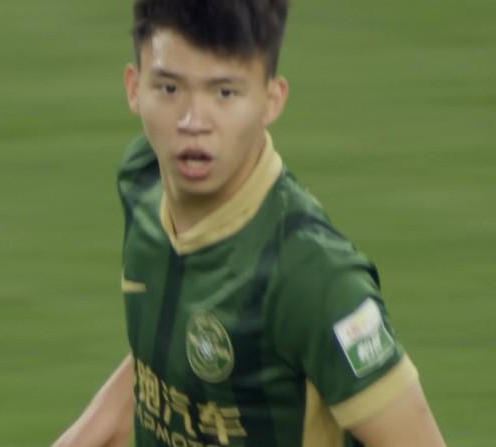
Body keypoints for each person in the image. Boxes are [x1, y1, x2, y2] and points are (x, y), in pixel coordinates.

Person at [53, 1, 447, 446]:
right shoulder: (144, 181)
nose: (192, 122)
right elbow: (157, 365)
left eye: (224, 93)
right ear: (133, 87)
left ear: (271, 100)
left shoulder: (313, 276)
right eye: (169, 88)